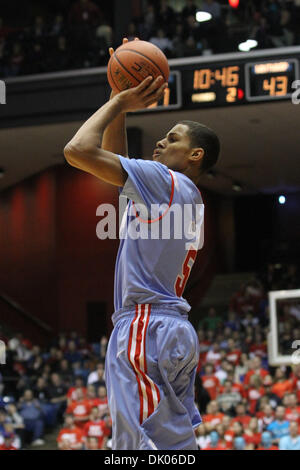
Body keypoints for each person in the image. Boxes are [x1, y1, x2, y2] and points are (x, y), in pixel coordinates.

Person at [63, 36, 220, 450]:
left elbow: (78, 150)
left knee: (136, 448)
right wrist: (118, 92)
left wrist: (118, 104)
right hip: (173, 329)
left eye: (173, 139)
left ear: (195, 155)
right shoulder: (175, 194)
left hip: (144, 326)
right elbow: (115, 161)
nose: (160, 143)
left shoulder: (166, 181)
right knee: (171, 443)